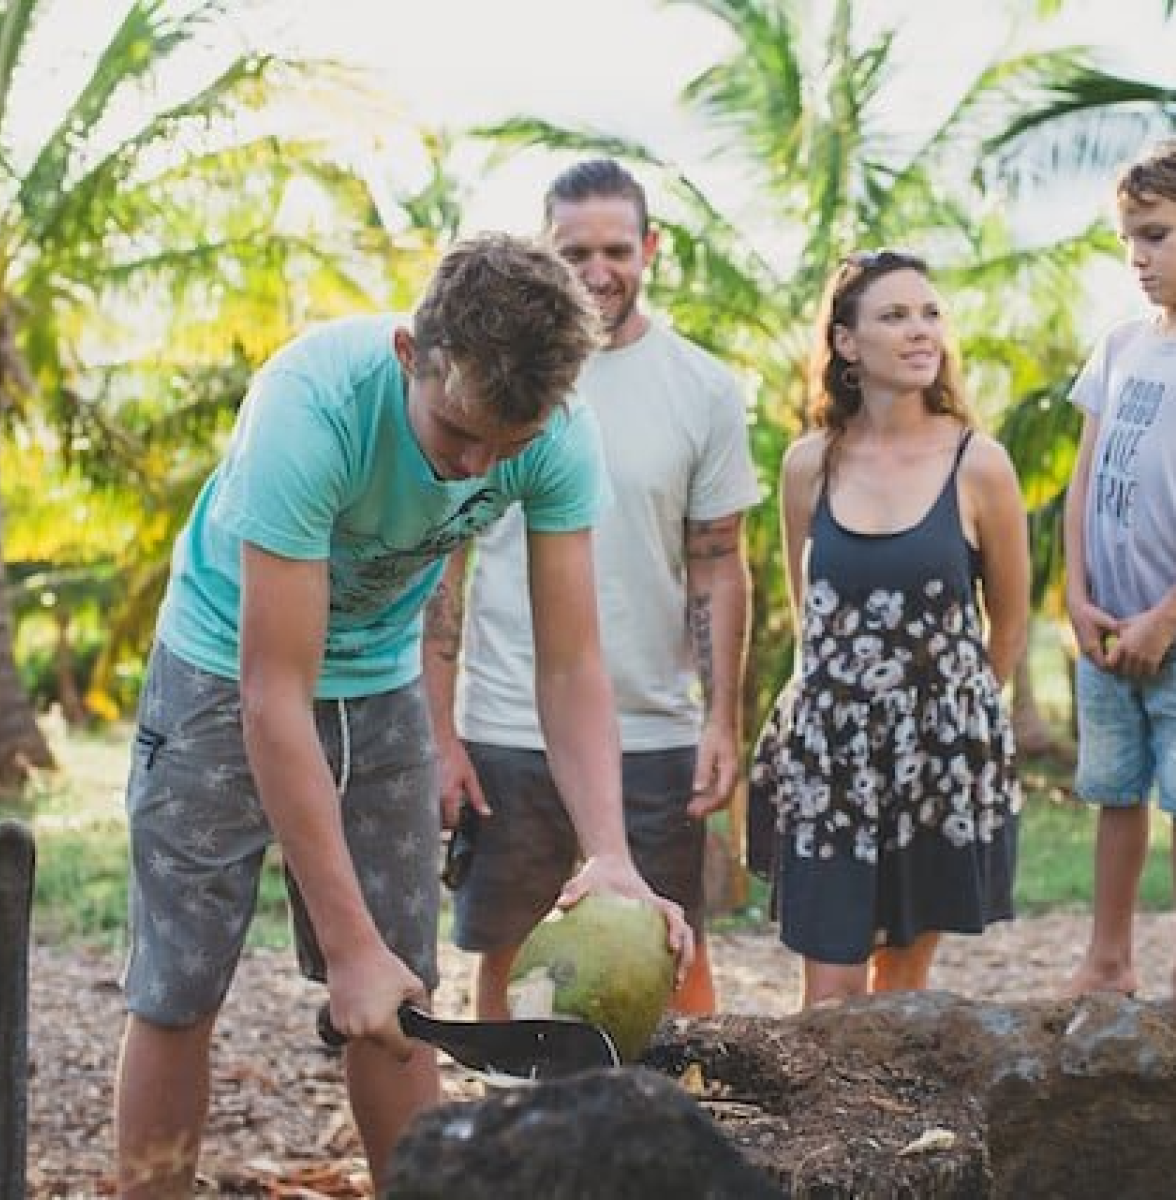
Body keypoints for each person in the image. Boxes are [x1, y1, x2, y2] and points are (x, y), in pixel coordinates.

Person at [112, 231, 693, 1198]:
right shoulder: (311, 409)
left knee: (397, 993)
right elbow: (274, 695)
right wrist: (345, 946)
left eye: (503, 448)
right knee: (177, 989)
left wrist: (611, 855)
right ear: (407, 355)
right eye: (458, 434)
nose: (474, 469)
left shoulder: (552, 434)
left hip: (380, 680)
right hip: (222, 671)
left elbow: (573, 662)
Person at [424, 159, 759, 1019]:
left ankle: (672, 1139)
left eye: (618, 248)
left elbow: (719, 560)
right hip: (504, 720)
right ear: (546, 250)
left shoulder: (705, 389)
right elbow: (443, 559)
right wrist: (439, 730)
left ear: (650, 247)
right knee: (506, 953)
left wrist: (721, 721)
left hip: (653, 724)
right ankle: (511, 1133)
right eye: (576, 252)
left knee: (668, 948)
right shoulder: (495, 377)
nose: (600, 270)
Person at [748, 248, 1029, 1008]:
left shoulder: (982, 465)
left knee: (900, 992)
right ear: (846, 343)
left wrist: (954, 720)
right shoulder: (810, 464)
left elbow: (1008, 624)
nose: (920, 331)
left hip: (934, 755)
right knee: (829, 994)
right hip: (829, 755)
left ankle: (886, 1132)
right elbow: (813, 617)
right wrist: (832, 714)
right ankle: (817, 1131)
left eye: (930, 313)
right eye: (894, 316)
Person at [1064, 140, 1176, 999]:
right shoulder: (1121, 347)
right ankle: (1108, 960)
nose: (1139, 258)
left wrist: (1165, 617)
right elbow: (1084, 477)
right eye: (1131, 239)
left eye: (1159, 235)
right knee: (1114, 793)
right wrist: (1075, 592)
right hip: (1107, 629)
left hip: (1168, 631)